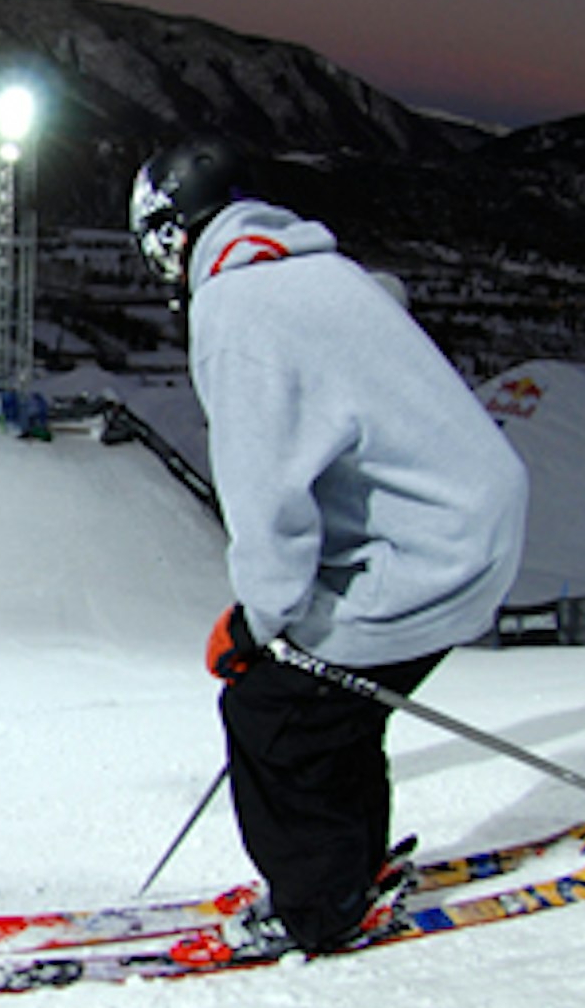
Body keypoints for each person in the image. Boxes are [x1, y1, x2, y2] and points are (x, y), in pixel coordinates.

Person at [127, 137, 529, 956]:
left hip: (428, 556)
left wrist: (257, 623)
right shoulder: (314, 268)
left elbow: (266, 493)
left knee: (271, 705)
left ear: (171, 232)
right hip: (465, 529)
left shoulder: (235, 310)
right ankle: (348, 864)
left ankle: (320, 904)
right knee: (332, 701)